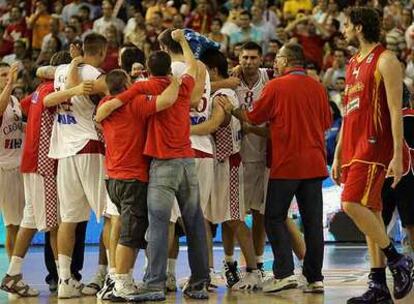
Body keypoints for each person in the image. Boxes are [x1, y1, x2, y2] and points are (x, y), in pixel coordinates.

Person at [96, 29, 210, 301]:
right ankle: (199, 284)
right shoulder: (183, 84)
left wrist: (108, 108)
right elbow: (193, 66)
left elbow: (117, 101)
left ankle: (155, 285)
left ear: (148, 69)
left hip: (162, 165)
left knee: (158, 226)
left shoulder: (143, 87)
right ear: (170, 68)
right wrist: (182, 40)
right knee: (194, 223)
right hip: (187, 160)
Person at [219, 42, 331, 294]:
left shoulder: (276, 86)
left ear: (287, 60)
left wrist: (232, 110)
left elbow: (252, 117)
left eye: (278, 58)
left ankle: (283, 273)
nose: (275, 63)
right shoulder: (318, 87)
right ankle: (315, 279)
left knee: (273, 217)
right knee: (313, 224)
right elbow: (325, 122)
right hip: (315, 163)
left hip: (287, 163)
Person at [332, 7, 414, 304]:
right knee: (372, 213)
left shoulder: (386, 60)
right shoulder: (353, 62)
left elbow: (396, 112)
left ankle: (397, 259)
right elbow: (347, 112)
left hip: (373, 143)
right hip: (353, 145)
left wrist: (396, 154)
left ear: (357, 26)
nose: (341, 30)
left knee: (351, 203)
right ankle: (378, 285)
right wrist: (339, 153)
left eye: (345, 26)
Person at [0, 52, 90, 297]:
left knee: (29, 221)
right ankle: (64, 279)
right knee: (56, 224)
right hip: (43, 165)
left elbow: (30, 112)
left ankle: (13, 274)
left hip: (28, 163)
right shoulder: (55, 91)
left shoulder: (36, 92)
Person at [98, 69, 181, 301]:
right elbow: (167, 100)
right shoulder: (135, 104)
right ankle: (121, 283)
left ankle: (118, 280)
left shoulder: (104, 104)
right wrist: (176, 81)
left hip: (113, 178)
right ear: (126, 83)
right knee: (130, 235)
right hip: (133, 178)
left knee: (127, 230)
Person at [44, 33, 108, 299]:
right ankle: (112, 275)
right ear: (103, 51)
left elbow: (41, 71)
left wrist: (72, 62)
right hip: (89, 147)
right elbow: (111, 90)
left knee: (68, 219)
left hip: (64, 150)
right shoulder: (96, 73)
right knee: (110, 214)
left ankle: (65, 280)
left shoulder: (59, 70)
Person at [0, 62, 25, 260]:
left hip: (19, 164)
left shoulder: (15, 100)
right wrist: (10, 84)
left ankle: (17, 272)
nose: (7, 77)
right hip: (3, 167)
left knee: (21, 222)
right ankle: (13, 273)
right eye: (2, 75)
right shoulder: (4, 99)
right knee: (11, 224)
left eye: (8, 74)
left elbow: (19, 126)